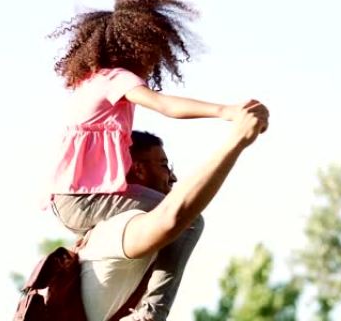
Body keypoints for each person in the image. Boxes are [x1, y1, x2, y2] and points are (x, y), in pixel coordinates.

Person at [47, 0, 257, 321]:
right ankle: (150, 313)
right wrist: (225, 111)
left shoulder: (92, 82)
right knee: (188, 221)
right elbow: (165, 105)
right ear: (136, 45)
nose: (155, 61)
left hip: (74, 198)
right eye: (154, 51)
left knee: (175, 220)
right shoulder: (117, 79)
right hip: (83, 199)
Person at [78, 102, 269, 321]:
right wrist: (237, 141)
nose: (173, 177)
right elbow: (176, 217)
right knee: (191, 221)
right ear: (138, 169)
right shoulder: (118, 227)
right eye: (163, 165)